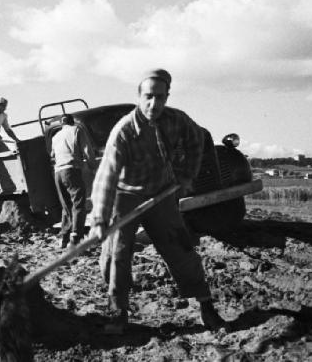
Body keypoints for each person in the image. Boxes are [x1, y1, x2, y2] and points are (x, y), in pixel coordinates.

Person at [89, 69, 227, 334]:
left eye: (160, 97)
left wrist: (186, 177)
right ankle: (119, 312)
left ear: (167, 97)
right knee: (116, 254)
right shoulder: (124, 131)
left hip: (161, 195)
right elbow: (106, 176)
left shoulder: (177, 120)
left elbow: (196, 140)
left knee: (181, 248)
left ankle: (206, 307)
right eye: (149, 97)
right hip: (125, 196)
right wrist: (99, 218)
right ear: (139, 97)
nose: (154, 104)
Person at [51, 114, 97, 248]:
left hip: (58, 173)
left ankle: (64, 238)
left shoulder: (55, 137)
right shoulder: (77, 130)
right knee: (78, 204)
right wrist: (94, 167)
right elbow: (88, 151)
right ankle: (76, 237)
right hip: (71, 170)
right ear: (72, 122)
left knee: (66, 207)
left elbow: (52, 155)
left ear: (61, 124)